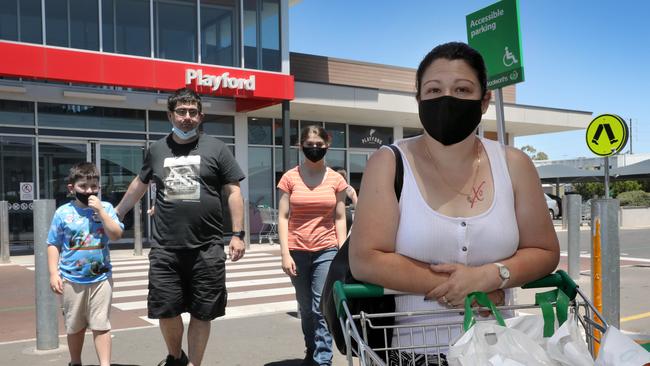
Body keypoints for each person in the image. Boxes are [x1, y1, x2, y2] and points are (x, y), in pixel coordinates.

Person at [349, 42, 560, 364]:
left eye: (462, 89)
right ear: (418, 98)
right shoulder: (389, 163)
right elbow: (367, 259)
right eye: (434, 90)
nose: (446, 100)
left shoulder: (514, 164)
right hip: (412, 352)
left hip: (501, 351)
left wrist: (490, 277)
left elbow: (544, 251)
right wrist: (467, 290)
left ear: (485, 100)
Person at [115, 88, 246, 366]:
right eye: (181, 112)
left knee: (203, 312)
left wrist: (238, 234)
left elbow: (233, 191)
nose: (187, 117)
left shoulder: (217, 148)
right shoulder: (157, 149)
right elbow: (140, 183)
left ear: (201, 115)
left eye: (193, 112)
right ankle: (176, 358)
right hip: (165, 248)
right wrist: (118, 213)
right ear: (170, 114)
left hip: (207, 248)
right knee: (166, 310)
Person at [277, 125, 348, 366]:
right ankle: (311, 350)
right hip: (297, 250)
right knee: (305, 308)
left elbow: (339, 217)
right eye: (310, 145)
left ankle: (323, 359)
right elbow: (283, 217)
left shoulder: (336, 180)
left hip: (326, 249)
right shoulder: (289, 178)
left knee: (320, 306)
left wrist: (342, 251)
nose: (314, 149)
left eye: (319, 145)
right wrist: (285, 253)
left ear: (327, 145)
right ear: (301, 146)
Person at [47, 162, 124, 366]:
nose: (89, 191)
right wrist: (54, 273)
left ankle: (105, 364)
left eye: (94, 187)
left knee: (101, 325)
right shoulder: (63, 213)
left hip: (101, 278)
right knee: (75, 325)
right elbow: (53, 243)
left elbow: (116, 234)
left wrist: (102, 212)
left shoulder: (105, 208)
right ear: (72, 188)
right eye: (83, 186)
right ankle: (75, 362)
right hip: (72, 279)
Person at [333, 167, 358, 231]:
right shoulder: (350, 188)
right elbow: (357, 205)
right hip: (347, 214)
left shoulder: (333, 188)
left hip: (335, 214)